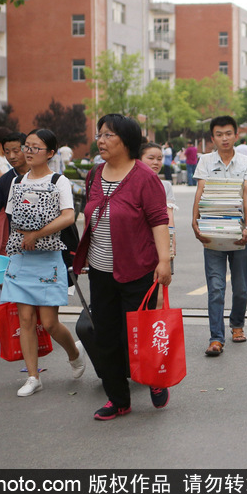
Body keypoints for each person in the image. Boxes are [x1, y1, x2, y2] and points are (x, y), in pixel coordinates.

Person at [72, 114, 172, 420]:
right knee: (105, 335)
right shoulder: (94, 174)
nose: (100, 141)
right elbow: (91, 216)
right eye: (99, 134)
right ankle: (118, 399)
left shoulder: (145, 177)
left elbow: (159, 221)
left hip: (138, 270)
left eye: (108, 135)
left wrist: (164, 261)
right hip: (101, 272)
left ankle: (155, 378)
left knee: (138, 334)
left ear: (126, 141)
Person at [1, 128, 85, 397]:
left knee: (49, 323)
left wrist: (36, 234)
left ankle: (74, 353)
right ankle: (33, 377)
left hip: (48, 258)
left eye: (35, 147)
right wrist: (11, 249)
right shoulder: (17, 182)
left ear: (50, 153)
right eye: (26, 146)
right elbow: (11, 219)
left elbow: (68, 217)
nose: (28, 152)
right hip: (21, 258)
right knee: (25, 319)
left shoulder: (59, 181)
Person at [192, 115, 247, 356]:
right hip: (212, 233)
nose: (224, 138)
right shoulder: (205, 161)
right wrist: (194, 220)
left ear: (236, 135)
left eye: (228, 133)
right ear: (213, 138)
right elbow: (200, 190)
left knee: (240, 288)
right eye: (219, 135)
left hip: (239, 232)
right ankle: (216, 338)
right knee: (216, 288)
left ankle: (237, 324)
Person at [140, 143, 177, 273]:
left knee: (160, 278)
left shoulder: (166, 185)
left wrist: (171, 242)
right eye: (151, 158)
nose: (156, 162)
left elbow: (169, 216)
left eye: (159, 159)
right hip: (139, 242)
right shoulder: (132, 184)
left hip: (161, 241)